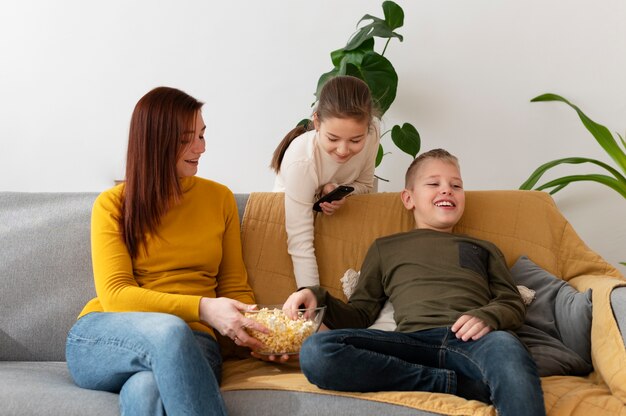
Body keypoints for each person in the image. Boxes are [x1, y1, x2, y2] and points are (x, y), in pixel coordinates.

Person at [283, 149, 546, 416]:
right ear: (408, 198)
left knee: (507, 348)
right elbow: (360, 314)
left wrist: (488, 316)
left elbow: (511, 301)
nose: (447, 190)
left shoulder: (482, 248)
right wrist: (316, 295)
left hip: (471, 341)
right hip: (409, 343)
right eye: (434, 184)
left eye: (456, 185)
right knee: (317, 351)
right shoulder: (385, 248)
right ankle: (452, 385)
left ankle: (463, 382)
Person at [65, 86, 267, 416]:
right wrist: (203, 308)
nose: (201, 148)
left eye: (203, 135)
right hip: (105, 336)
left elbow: (233, 288)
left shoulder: (219, 199)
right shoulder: (113, 205)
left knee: (146, 391)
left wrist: (259, 337)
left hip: (195, 342)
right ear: (156, 141)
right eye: (189, 138)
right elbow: (116, 294)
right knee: (168, 330)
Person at [270, 75, 381, 288]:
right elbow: (300, 243)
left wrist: (339, 191)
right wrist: (314, 304)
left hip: (329, 223)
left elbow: (366, 186)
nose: (343, 150)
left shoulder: (372, 132)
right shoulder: (302, 162)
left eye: (356, 140)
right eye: (333, 138)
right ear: (317, 122)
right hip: (289, 227)